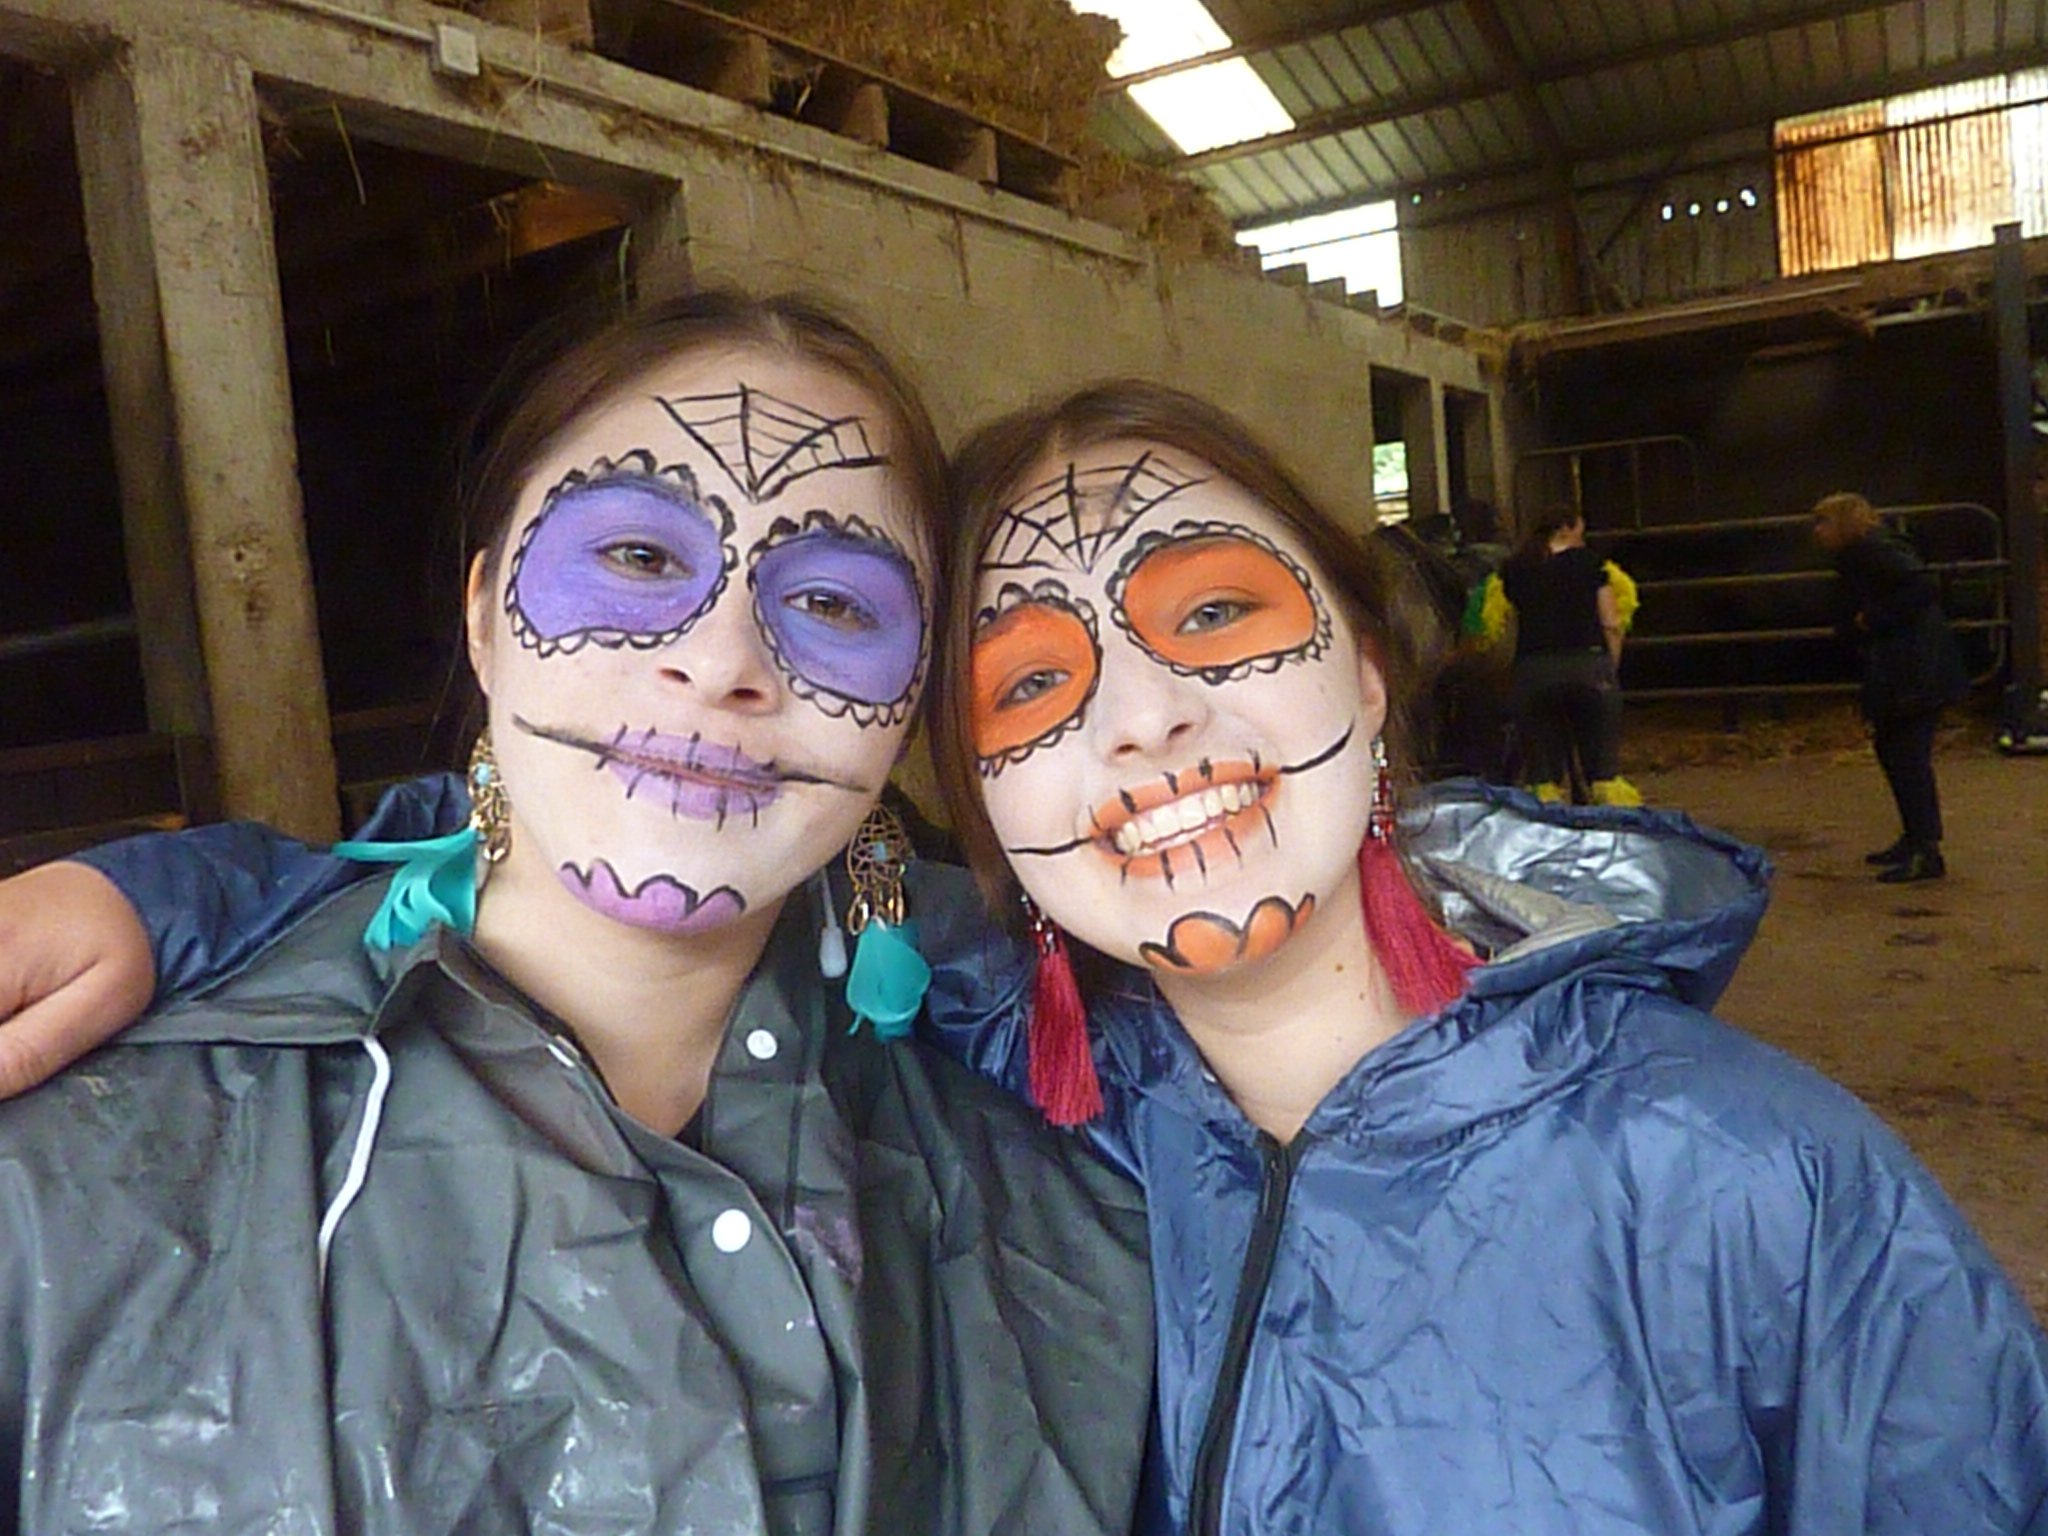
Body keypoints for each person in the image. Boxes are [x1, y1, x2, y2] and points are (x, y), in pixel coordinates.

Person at [7, 383, 2048, 1535]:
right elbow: (630, 846)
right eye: (1034, 681)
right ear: (969, 791)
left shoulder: (1756, 1185)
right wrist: (192, 896)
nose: (1143, 725)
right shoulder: (980, 1098)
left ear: (1365, 660)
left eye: (1216, 618)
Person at [0, 292, 1155, 1535]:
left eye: (832, 604)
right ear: (484, 616)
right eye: (640, 557)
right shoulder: (76, 1164)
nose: (721, 661)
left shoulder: (1065, 1153)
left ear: (913, 695)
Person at [1812, 491, 1969, 883]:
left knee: (1907, 755)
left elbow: (1922, 587)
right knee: (1895, 750)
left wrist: (1871, 619)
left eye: (1823, 522)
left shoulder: (1875, 551)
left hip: (1912, 669)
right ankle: (1915, 838)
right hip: (1905, 666)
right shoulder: (1867, 552)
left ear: (1842, 523)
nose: (1817, 531)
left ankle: (1925, 849)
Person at [1471, 504, 1640, 805]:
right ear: (1566, 528)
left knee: (1541, 776)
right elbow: (1611, 623)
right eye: (1580, 532)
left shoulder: (1513, 569)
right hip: (1588, 667)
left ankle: (1546, 813)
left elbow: (1496, 626)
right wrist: (1609, 667)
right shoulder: (1592, 564)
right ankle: (1610, 815)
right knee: (1603, 772)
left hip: (1534, 673)